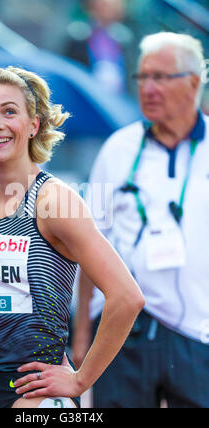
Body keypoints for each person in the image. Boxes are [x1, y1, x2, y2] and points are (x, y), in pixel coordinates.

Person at [0, 66, 144, 409]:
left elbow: (127, 297)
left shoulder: (55, 201)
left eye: (9, 112)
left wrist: (80, 379)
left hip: (35, 392)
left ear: (34, 125)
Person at [72, 32, 209, 408]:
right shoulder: (116, 148)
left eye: (160, 77)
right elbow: (88, 243)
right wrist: (82, 336)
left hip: (198, 331)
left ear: (194, 83)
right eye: (142, 77)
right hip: (122, 329)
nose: (147, 88)